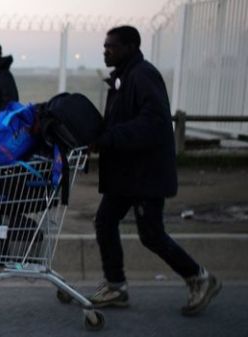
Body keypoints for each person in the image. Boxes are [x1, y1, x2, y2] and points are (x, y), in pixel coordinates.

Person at [88, 25, 221, 315]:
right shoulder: (124, 78)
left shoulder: (143, 75)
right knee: (105, 221)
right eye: (105, 45)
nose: (105, 50)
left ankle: (199, 277)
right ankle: (116, 286)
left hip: (145, 174)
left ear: (130, 47)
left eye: (111, 46)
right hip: (127, 174)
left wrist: (108, 139)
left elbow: (154, 124)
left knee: (151, 234)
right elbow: (120, 121)